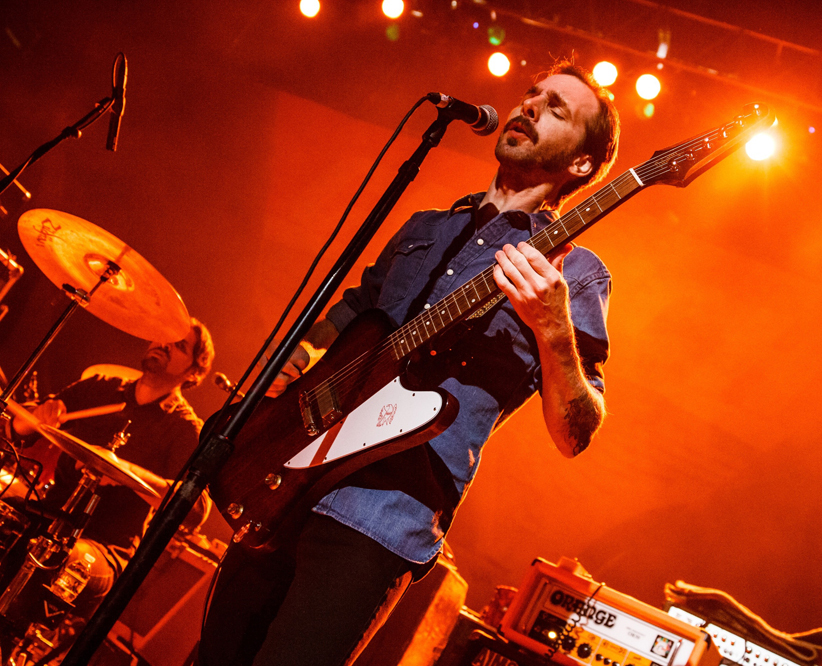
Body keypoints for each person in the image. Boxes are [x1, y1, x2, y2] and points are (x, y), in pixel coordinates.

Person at [198, 59, 620, 666]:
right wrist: (294, 366)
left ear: (581, 163)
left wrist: (554, 331)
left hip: (379, 514)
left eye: (556, 108)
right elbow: (351, 316)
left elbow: (576, 433)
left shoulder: (574, 272)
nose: (529, 105)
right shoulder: (426, 226)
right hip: (290, 477)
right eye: (532, 94)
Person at [9, 319, 215, 624]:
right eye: (163, 336)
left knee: (57, 557)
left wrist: (123, 471)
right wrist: (34, 418)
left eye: (179, 345)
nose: (164, 345)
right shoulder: (100, 387)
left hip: (105, 547)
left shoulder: (184, 430)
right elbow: (15, 430)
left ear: (193, 372)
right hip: (47, 514)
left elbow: (196, 510)